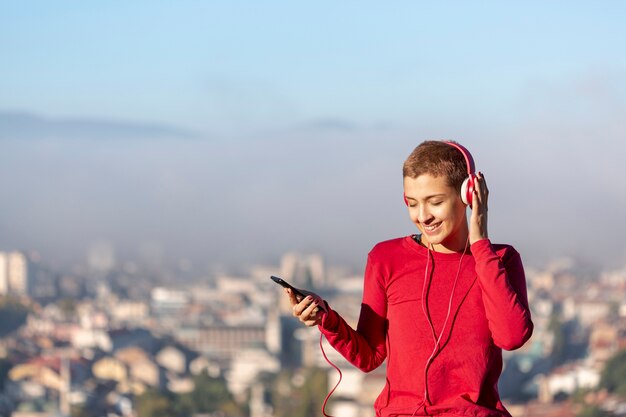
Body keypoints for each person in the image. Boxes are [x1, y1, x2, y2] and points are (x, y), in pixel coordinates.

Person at [284, 140, 533, 417]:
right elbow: (369, 356)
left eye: (435, 202)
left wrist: (481, 245)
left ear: (468, 196)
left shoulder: (500, 260)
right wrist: (326, 319)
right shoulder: (385, 258)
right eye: (412, 204)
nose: (423, 216)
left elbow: (512, 337)